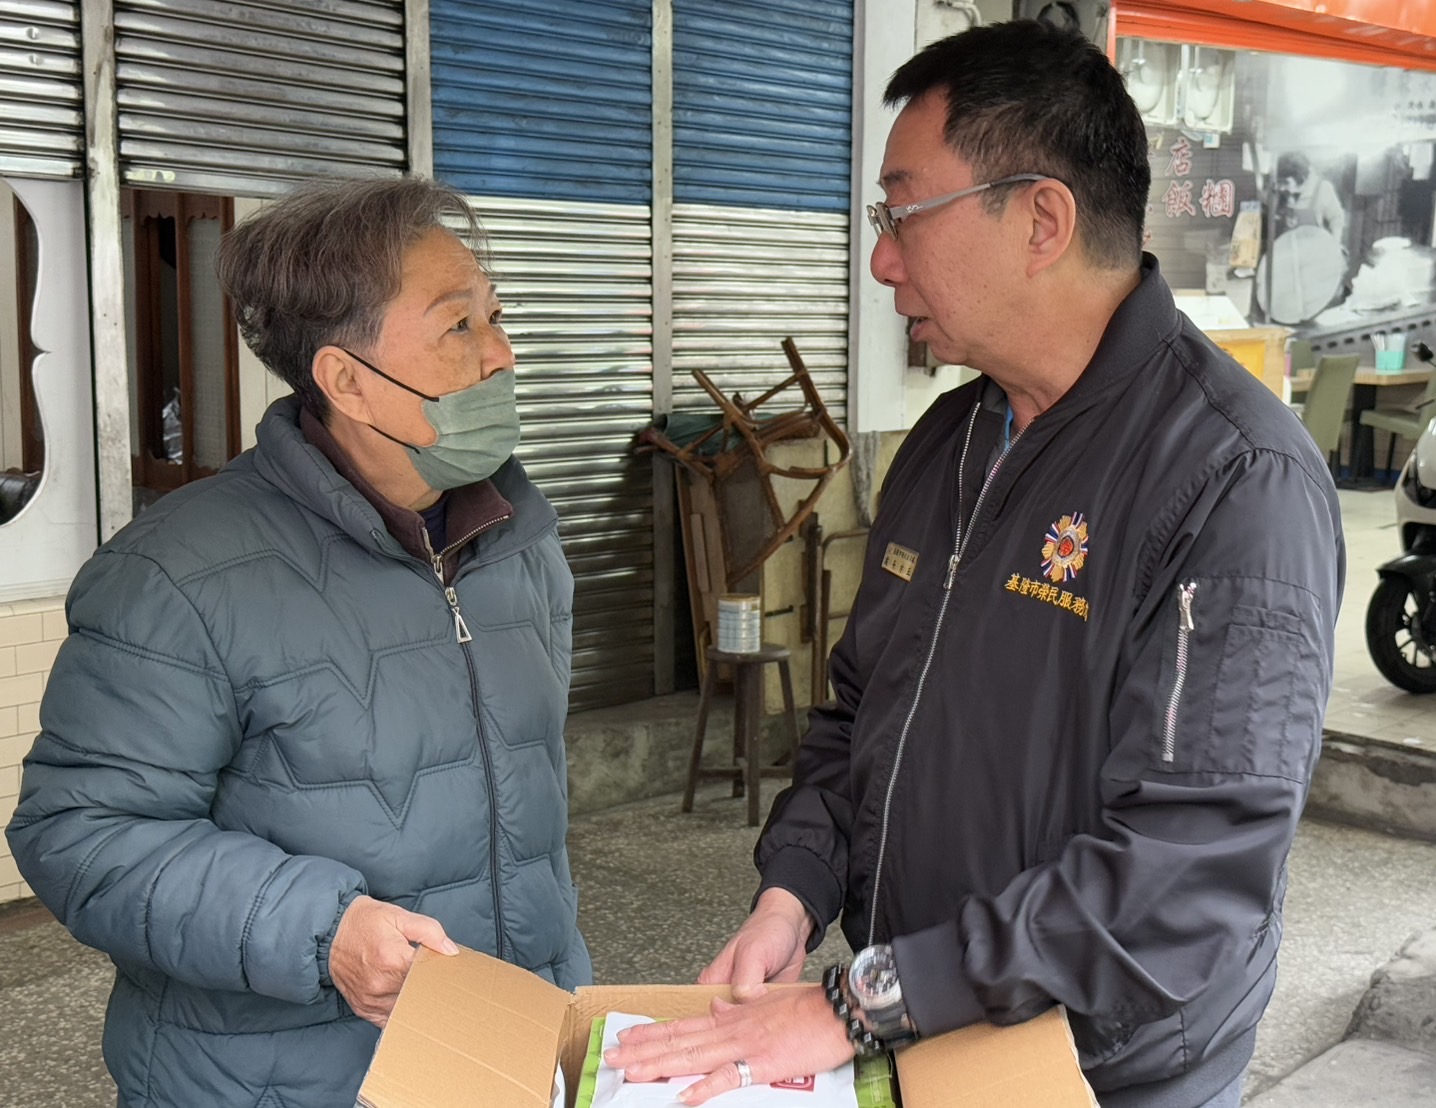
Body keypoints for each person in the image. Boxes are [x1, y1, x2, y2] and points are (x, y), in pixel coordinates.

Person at [607, 21, 1343, 1108]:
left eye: (901, 213)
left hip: (1099, 1075)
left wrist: (861, 1002)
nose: (880, 259)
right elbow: (860, 716)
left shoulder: (1233, 479)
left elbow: (1186, 876)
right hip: (925, 1036)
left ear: (1041, 219)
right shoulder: (948, 444)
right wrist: (792, 895)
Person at [6, 176, 591, 1106]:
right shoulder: (177, 574)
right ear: (346, 380)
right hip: (276, 1081)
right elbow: (81, 832)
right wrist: (322, 931)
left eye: (496, 315)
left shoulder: (517, 536)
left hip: (505, 1056)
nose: (501, 354)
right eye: (458, 326)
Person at [1276, 151, 1347, 244]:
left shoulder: (1322, 189)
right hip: (1289, 247)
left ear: (1301, 178)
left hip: (1315, 248)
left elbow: (1337, 218)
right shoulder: (1284, 191)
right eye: (1280, 182)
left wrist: (1335, 244)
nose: (1281, 188)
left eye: (1286, 183)